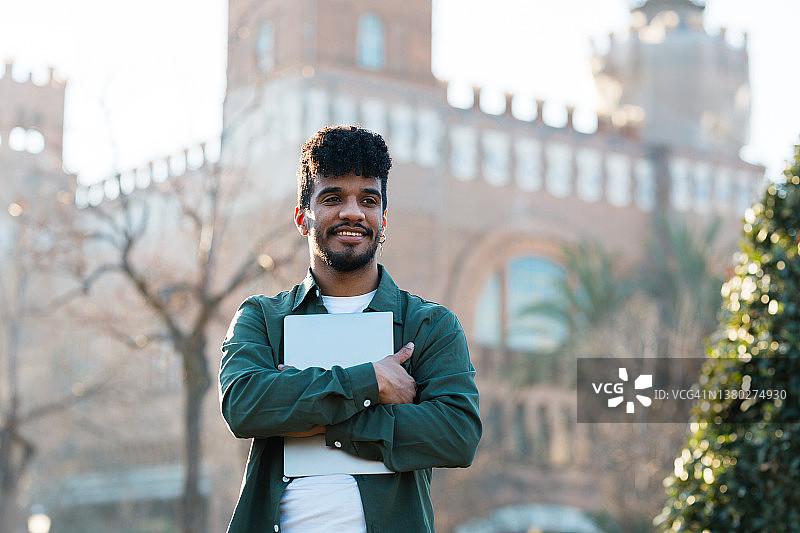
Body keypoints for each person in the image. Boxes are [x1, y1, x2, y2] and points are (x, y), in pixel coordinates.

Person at [219, 125, 482, 533]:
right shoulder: (262, 319)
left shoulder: (429, 325)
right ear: (302, 217)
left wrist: (314, 413)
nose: (352, 212)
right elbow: (244, 406)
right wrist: (369, 385)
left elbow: (457, 433)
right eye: (332, 198)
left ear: (383, 218)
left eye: (368, 200)